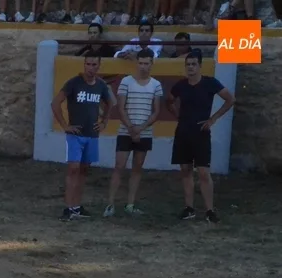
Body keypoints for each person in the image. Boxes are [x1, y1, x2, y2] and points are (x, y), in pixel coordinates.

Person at [165, 50, 235, 223]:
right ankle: (189, 208)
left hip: (201, 133)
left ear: (200, 66)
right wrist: (178, 115)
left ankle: (210, 210)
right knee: (185, 170)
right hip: (183, 132)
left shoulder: (210, 83)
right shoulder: (180, 85)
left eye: (193, 64)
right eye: (188, 64)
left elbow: (230, 99)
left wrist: (213, 119)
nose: (190, 67)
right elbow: (169, 100)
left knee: (203, 172)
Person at [50, 51, 116, 222]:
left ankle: (77, 206)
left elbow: (110, 103)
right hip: (76, 134)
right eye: (88, 64)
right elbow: (55, 103)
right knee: (73, 169)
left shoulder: (100, 85)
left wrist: (104, 122)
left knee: (84, 170)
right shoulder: (74, 83)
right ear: (84, 64)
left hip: (92, 135)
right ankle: (68, 207)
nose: (91, 68)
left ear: (99, 66)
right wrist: (65, 126)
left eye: (94, 64)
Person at [105, 48, 162, 217]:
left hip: (144, 132)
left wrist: (141, 128)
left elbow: (156, 111)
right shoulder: (126, 81)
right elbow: (121, 108)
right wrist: (131, 128)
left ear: (152, 64)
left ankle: (130, 204)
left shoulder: (156, 85)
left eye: (146, 63)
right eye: (141, 63)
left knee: (137, 168)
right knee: (119, 166)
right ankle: (110, 204)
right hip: (126, 131)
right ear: (136, 63)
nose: (143, 66)